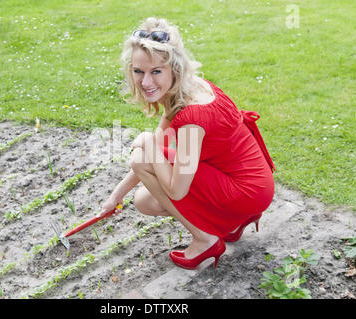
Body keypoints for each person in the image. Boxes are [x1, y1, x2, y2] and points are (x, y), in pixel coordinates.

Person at [99, 17, 275, 270]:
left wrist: (147, 144)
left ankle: (206, 239)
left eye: (156, 71)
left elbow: (176, 190)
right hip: (250, 182)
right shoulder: (187, 90)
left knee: (142, 163)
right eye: (139, 71)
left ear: (175, 68)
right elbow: (160, 146)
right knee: (143, 198)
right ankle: (233, 222)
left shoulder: (193, 118)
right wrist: (115, 197)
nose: (145, 82)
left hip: (246, 191)